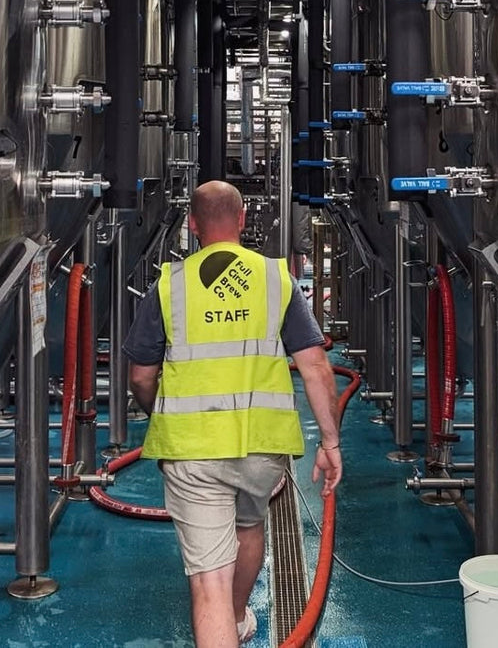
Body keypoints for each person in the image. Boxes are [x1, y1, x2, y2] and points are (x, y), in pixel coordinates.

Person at [124, 180, 342, 648]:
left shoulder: (170, 284)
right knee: (249, 527)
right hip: (261, 449)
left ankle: (227, 614)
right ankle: (239, 617)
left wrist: (156, 412)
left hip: (193, 450)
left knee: (210, 586)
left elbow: (141, 377)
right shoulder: (274, 277)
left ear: (192, 225)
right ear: (243, 220)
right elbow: (315, 365)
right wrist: (330, 443)